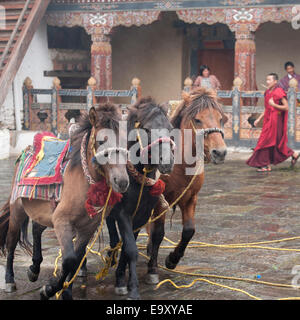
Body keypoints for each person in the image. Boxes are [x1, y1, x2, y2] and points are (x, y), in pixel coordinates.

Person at [246, 73, 299, 172]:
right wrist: (259, 119)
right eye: (267, 80)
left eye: (269, 80)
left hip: (276, 121)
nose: (267, 82)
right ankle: (293, 154)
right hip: (268, 120)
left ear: (275, 81)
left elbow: (286, 107)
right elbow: (267, 108)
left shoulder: (279, 91)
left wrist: (274, 104)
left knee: (265, 141)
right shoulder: (267, 92)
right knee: (274, 142)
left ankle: (265, 164)